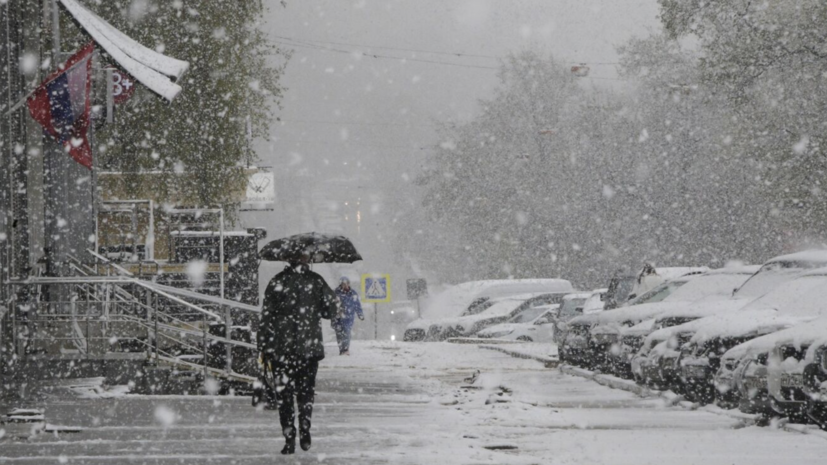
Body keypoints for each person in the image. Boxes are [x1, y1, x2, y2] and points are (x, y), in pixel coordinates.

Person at [257, 253, 339, 455]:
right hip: (308, 351)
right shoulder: (316, 281)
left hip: (281, 351)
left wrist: (264, 347)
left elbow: (266, 316)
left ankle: (289, 437)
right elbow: (331, 310)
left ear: (287, 259)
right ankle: (305, 426)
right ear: (306, 260)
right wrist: (324, 305)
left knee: (284, 397)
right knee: (306, 393)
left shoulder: (277, 281)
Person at [332, 277, 364, 355]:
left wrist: (360, 314)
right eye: (343, 284)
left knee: (347, 333)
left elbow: (357, 305)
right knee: (339, 334)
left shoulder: (353, 293)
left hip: (348, 318)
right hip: (337, 318)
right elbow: (331, 304)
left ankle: (345, 349)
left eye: (346, 283)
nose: (345, 285)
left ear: (349, 284)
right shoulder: (335, 293)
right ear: (341, 284)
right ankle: (341, 349)